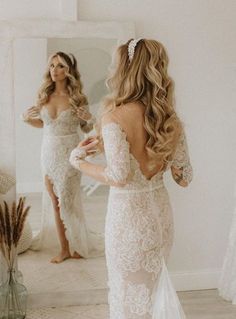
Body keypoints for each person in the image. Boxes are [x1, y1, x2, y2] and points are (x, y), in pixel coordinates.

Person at [70, 39, 193, 318]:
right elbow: (184, 177)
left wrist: (78, 161)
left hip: (128, 221)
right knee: (151, 294)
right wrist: (166, 156)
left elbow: (118, 175)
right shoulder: (168, 118)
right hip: (160, 218)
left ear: (124, 69)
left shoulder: (114, 116)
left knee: (128, 298)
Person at [22, 51, 104, 263]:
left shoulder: (78, 98)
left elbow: (87, 128)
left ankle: (76, 245)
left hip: (70, 152)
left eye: (60, 66)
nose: (55, 70)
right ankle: (65, 248)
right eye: (52, 65)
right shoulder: (44, 96)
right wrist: (26, 119)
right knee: (54, 200)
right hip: (48, 151)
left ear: (69, 71)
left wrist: (90, 118)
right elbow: (44, 125)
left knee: (66, 201)